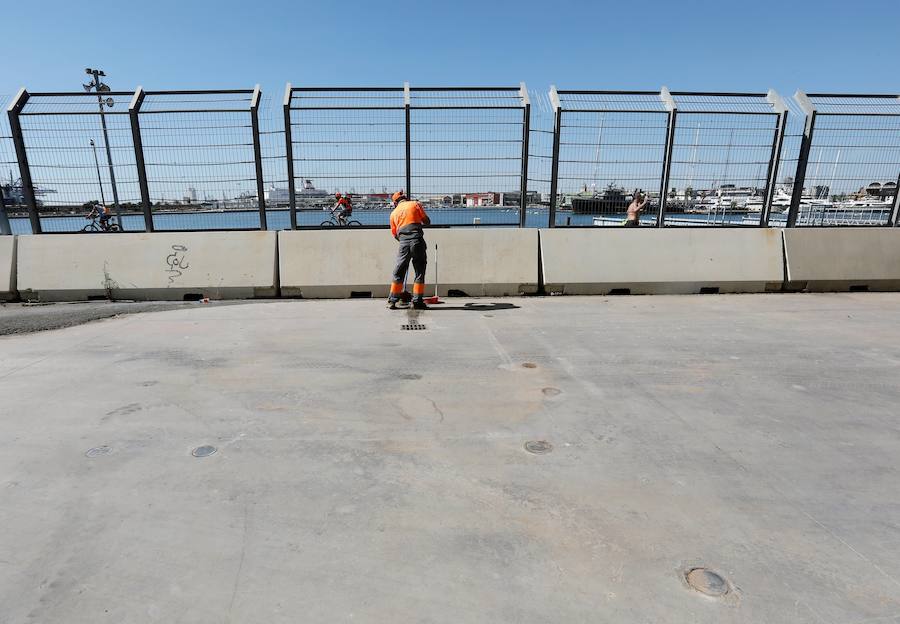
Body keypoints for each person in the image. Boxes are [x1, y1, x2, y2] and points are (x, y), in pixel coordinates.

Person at [387, 190, 430, 310]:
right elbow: (427, 221)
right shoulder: (415, 204)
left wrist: (404, 242)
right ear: (405, 198)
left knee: (399, 270)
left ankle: (392, 300)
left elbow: (395, 234)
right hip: (417, 240)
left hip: (403, 243)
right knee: (419, 269)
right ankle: (417, 301)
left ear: (395, 202)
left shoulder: (393, 213)